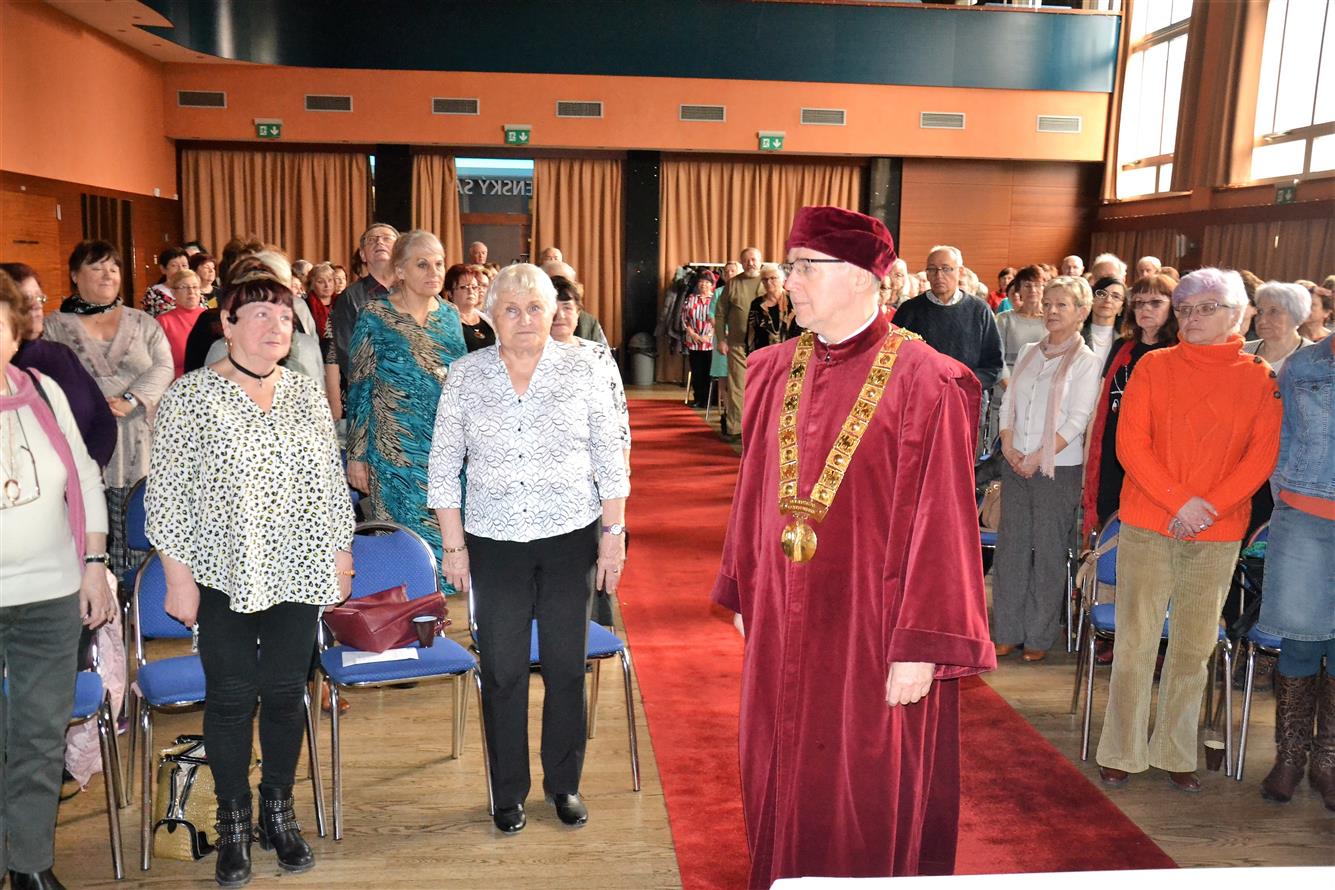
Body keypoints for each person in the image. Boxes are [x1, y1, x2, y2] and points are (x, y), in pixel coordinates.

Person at [712, 207, 993, 884]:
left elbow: (946, 523)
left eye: (807, 267)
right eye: (790, 265)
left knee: (860, 788)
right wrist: (746, 587)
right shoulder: (770, 371)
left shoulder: (928, 381)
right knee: (777, 768)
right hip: (782, 615)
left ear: (867, 278)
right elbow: (752, 493)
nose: (790, 281)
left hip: (874, 627)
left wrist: (923, 645)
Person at [147, 269, 355, 887]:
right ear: (228, 324)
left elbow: (327, 480)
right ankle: (234, 817)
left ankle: (278, 809)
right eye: (259, 313)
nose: (275, 325)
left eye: (285, 316)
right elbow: (169, 499)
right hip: (222, 569)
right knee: (233, 697)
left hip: (298, 564)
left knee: (288, 693)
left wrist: (341, 554)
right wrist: (177, 579)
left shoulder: (304, 393)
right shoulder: (191, 396)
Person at [428, 263, 629, 834]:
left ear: (553, 313)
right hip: (494, 543)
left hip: (570, 537)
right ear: (490, 316)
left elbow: (611, 462)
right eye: (510, 309)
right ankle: (508, 792)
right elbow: (443, 467)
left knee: (566, 666)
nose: (523, 320)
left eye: (534, 308)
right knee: (504, 672)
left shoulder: (585, 369)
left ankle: (564, 784)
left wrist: (612, 539)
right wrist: (454, 545)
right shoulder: (465, 376)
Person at [1096, 268, 1281, 793]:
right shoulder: (1153, 366)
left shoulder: (1260, 376)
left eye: (1205, 308)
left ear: (1236, 316)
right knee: (1135, 644)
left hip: (1218, 533)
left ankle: (1176, 750)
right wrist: (1181, 503)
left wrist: (1208, 508)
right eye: (1184, 309)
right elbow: (1131, 445)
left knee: (1194, 648)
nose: (1191, 318)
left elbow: (1260, 457)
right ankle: (1122, 750)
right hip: (1150, 524)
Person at [0, 271, 116, 890]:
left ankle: (29, 866)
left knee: (39, 736)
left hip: (50, 592)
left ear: (14, 333)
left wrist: (95, 566)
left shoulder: (42, 390)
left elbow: (85, 480)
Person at [44, 240, 173, 578]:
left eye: (113, 268)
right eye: (96, 267)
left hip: (139, 438)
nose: (107, 275)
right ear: (75, 275)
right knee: (88, 519)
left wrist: (131, 399)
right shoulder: (53, 326)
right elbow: (43, 377)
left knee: (140, 521)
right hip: (81, 437)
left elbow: (163, 367)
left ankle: (138, 601)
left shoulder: (144, 323)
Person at [346, 231, 466, 586]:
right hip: (393, 450)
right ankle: (403, 620)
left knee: (447, 537)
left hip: (444, 448)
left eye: (439, 263)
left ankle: (445, 621)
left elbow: (459, 380)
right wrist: (357, 455)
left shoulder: (450, 315)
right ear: (399, 270)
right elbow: (360, 386)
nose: (434, 271)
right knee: (402, 543)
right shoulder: (374, 315)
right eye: (422, 264)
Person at [992, 276, 1101, 663]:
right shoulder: (1027, 352)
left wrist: (1038, 455)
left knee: (1049, 551)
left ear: (1082, 313)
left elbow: (1077, 420)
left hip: (1058, 468)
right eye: (1049, 304)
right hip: (1015, 461)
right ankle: (1006, 630)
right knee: (1012, 549)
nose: (1052, 311)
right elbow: (1008, 404)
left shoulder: (1087, 362)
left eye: (1063, 305)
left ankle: (1038, 634)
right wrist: (1007, 443)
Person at [1254, 333, 1335, 810]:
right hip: (1304, 516)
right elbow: (1278, 436)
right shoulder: (1303, 365)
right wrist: (1285, 494)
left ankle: (1328, 760)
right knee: (1301, 640)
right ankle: (1290, 757)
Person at [1081, 273, 1179, 537]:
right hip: (1112, 454)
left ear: (1173, 308)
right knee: (1108, 530)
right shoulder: (1123, 346)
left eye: (1156, 303)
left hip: (1153, 459)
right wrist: (1089, 460)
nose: (1145, 309)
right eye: (1139, 302)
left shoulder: (1179, 352)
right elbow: (1100, 407)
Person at [2, 263, 115, 469]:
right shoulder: (6, 369)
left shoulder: (61, 354)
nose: (37, 305)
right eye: (27, 299)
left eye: (39, 297)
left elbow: (103, 419)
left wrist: (86, 474)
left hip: (84, 482)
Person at [892, 245, 1004, 390]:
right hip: (920, 396)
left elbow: (994, 364)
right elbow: (894, 356)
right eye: (932, 269)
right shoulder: (909, 310)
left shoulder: (979, 310)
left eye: (946, 269)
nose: (939, 276)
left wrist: (961, 385)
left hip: (966, 397)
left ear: (961, 271)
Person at [325, 223, 400, 387]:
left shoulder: (415, 290)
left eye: (386, 238)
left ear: (400, 250)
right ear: (363, 255)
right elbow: (346, 353)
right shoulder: (349, 297)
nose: (379, 242)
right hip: (372, 392)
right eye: (372, 240)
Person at [714, 247, 764, 441]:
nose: (750, 263)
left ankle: (759, 429)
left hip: (764, 346)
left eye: (753, 259)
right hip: (737, 345)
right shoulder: (733, 284)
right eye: (746, 260)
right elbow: (720, 314)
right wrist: (721, 339)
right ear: (741, 263)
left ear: (760, 261)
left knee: (762, 388)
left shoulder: (769, 281)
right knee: (737, 387)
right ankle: (735, 428)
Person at [1243, 281, 1313, 376]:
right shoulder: (1243, 351)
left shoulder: (1313, 358)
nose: (1262, 320)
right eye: (1260, 311)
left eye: (1273, 311)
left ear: (1296, 314)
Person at [995, 265, 1047, 383]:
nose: (1032, 290)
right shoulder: (1004, 319)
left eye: (1037, 285)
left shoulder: (1051, 321)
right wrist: (1009, 388)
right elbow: (996, 357)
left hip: (1041, 386)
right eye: (1027, 285)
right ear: (1018, 289)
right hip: (1008, 385)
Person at [156, 269, 208, 379]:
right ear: (173, 292)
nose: (191, 292)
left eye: (195, 287)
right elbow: (159, 364)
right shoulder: (163, 321)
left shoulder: (210, 317)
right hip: (179, 382)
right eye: (184, 287)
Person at [680, 269, 717, 408]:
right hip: (694, 341)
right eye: (701, 282)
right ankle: (698, 399)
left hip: (710, 342)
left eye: (707, 282)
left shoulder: (715, 299)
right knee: (697, 372)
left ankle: (710, 400)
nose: (704, 285)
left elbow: (719, 319)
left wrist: (709, 335)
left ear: (712, 284)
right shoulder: (690, 298)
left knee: (710, 372)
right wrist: (693, 334)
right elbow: (684, 318)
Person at [745, 265, 799, 352]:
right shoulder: (756, 304)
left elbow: (802, 331)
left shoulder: (794, 301)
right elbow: (750, 335)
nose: (769, 282)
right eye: (765, 279)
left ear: (783, 280)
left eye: (773, 278)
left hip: (790, 354)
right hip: (764, 357)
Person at [444, 263, 494, 352]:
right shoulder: (446, 323)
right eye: (464, 287)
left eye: (474, 287)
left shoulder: (488, 320)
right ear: (450, 293)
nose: (471, 291)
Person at [1084, 276, 1127, 367]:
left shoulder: (1126, 341)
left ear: (1121, 308)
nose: (1108, 300)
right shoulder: (1075, 334)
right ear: (1092, 299)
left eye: (1116, 296)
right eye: (1102, 294)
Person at [142, 247, 190, 317]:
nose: (181, 270)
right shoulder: (153, 293)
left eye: (184, 265)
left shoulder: (195, 290)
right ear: (163, 269)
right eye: (174, 266)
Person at [304, 262, 338, 344]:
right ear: (312, 284)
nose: (327, 285)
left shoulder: (342, 301)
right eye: (321, 282)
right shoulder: (305, 305)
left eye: (330, 280)